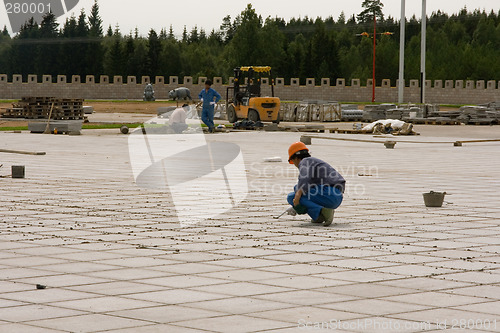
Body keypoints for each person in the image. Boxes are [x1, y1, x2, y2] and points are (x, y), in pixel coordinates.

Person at [286, 142, 345, 226]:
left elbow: (304, 179)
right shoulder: (312, 162)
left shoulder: (305, 161)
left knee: (292, 196)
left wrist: (296, 200)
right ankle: (319, 216)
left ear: (295, 158)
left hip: (329, 193)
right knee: (296, 190)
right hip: (335, 196)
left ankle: (323, 212)